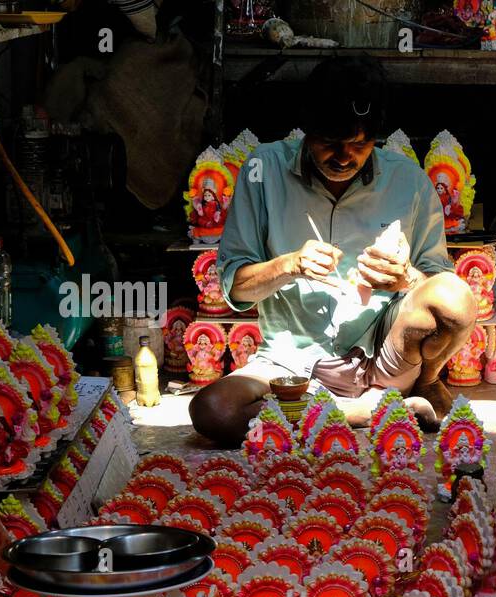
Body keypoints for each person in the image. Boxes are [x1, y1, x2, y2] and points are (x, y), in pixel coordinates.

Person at [190, 54, 477, 447]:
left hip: (385, 357)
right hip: (290, 362)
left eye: (359, 145)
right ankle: (363, 412)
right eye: (329, 143)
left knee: (455, 296)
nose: (344, 157)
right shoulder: (263, 171)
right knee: (213, 411)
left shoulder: (408, 181)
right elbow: (235, 289)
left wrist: (406, 278)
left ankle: (423, 384)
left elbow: (437, 282)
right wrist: (289, 265)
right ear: (306, 132)